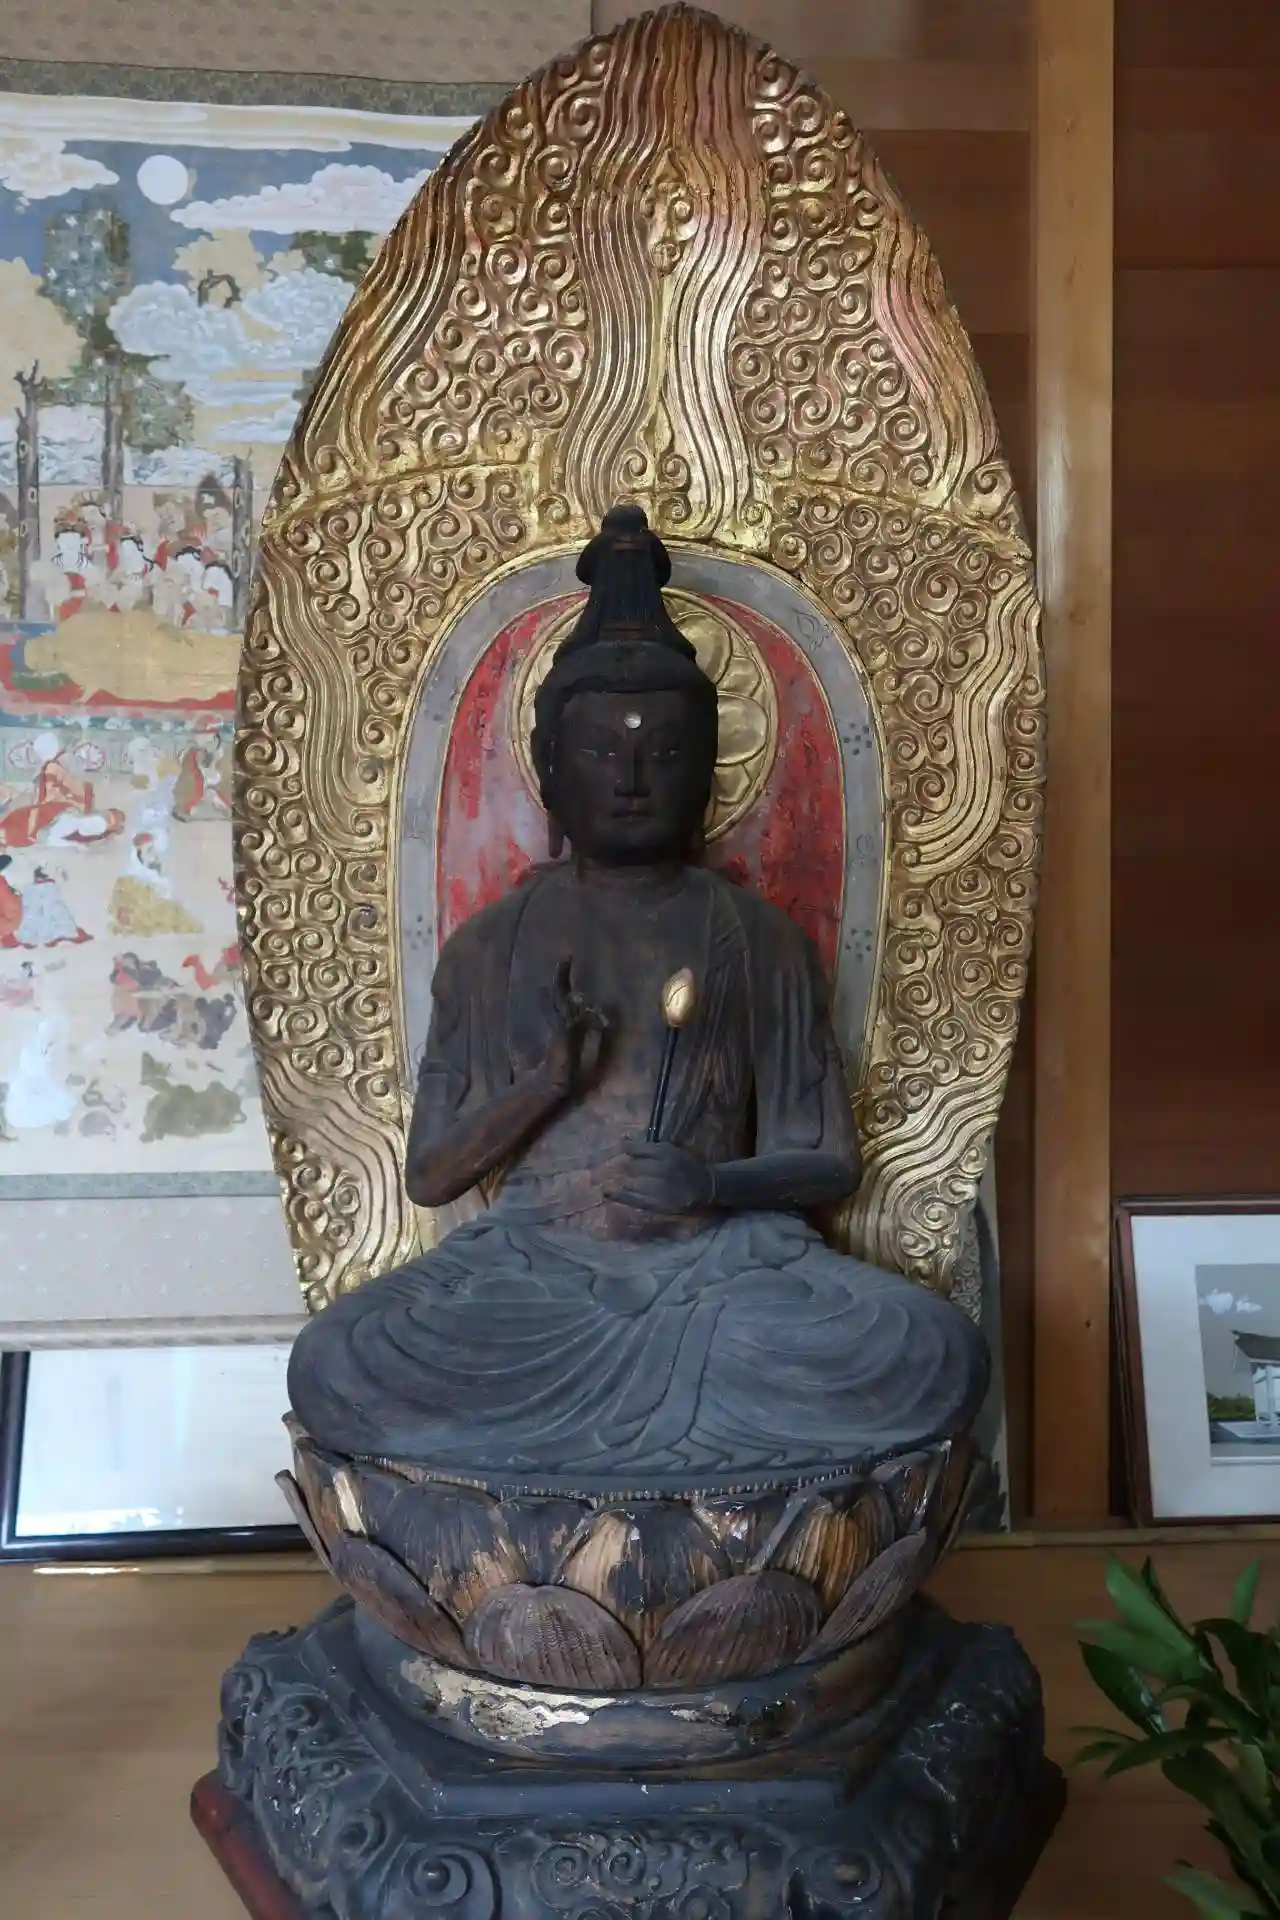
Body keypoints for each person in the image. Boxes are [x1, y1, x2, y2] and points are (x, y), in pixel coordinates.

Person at [289, 507, 988, 1486]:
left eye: (663, 753)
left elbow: (826, 1159)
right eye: (598, 753)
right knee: (339, 1362)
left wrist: (710, 1187)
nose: (628, 779)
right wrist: (544, 1084)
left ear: (707, 772)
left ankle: (567, 1465)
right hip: (534, 1276)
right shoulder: (490, 949)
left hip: (723, 1275)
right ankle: (702, 1460)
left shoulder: (759, 941)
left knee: (926, 1351)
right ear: (548, 770)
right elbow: (433, 1175)